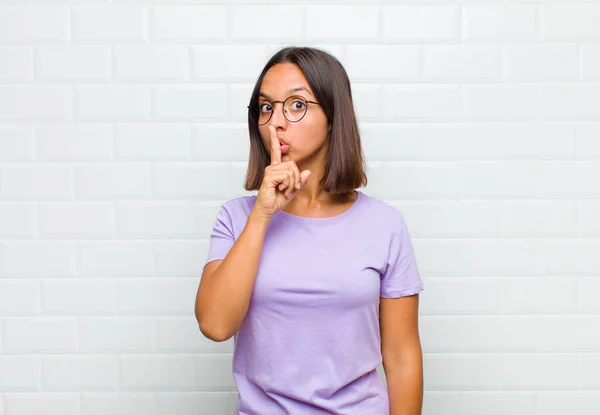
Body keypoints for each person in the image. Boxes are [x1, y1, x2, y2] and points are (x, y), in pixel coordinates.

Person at [195, 46, 424, 415]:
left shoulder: (384, 225)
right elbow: (215, 324)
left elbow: (401, 357)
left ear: (333, 116)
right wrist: (262, 215)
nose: (276, 122)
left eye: (296, 105)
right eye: (267, 106)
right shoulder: (236, 218)